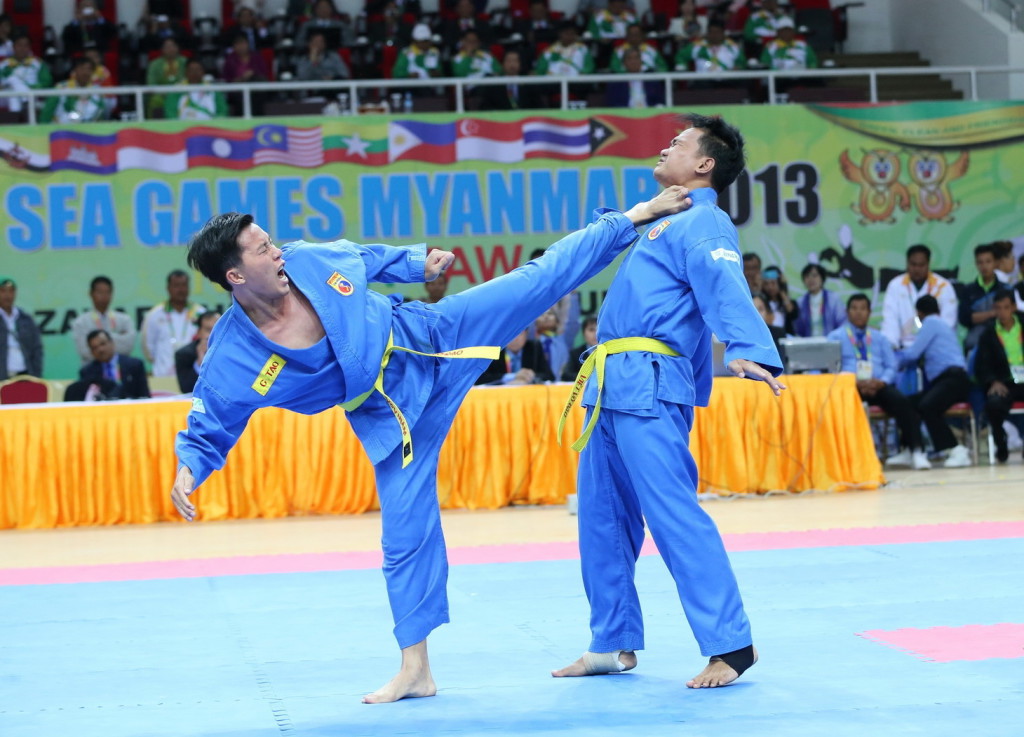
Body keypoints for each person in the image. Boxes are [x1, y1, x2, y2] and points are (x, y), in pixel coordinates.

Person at [169, 188, 692, 703]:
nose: (277, 252)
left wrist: (418, 264)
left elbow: (366, 258)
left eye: (271, 242)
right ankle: (415, 670)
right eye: (263, 249)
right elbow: (213, 417)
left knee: (536, 279)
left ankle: (634, 215)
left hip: (432, 335)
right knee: (404, 535)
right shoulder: (233, 356)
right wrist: (189, 467)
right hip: (393, 421)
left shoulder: (308, 260)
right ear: (235, 276)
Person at [552, 114, 784, 689]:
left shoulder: (705, 221)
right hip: (609, 380)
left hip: (650, 381)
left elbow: (723, 283)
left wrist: (746, 346)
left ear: (705, 163)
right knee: (602, 517)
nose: (664, 147)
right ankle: (612, 641)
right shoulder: (662, 219)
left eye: (677, 143)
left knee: (672, 512)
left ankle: (731, 644)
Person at [828, 294, 928, 470]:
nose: (859, 313)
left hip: (878, 385)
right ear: (847, 312)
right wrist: (852, 380)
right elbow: (831, 368)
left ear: (869, 312)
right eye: (854, 308)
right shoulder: (835, 337)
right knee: (836, 407)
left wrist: (881, 381)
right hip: (851, 386)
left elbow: (891, 366)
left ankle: (915, 451)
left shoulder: (879, 338)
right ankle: (848, 458)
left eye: (863, 308)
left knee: (904, 403)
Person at [897, 295, 972, 468]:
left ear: (919, 313)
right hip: (949, 381)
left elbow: (913, 354)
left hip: (953, 380)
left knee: (927, 406)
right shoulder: (942, 324)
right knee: (909, 403)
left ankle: (956, 450)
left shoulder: (930, 323)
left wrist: (894, 359)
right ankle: (911, 449)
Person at [974, 290, 1024, 463]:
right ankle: (1001, 443)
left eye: (1006, 307)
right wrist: (993, 381)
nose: (1002, 312)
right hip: (1004, 383)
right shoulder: (988, 334)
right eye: (998, 308)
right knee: (993, 404)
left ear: (1014, 307)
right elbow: (982, 364)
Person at [881, 244, 958, 350]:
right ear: (907, 263)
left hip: (934, 348)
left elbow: (948, 323)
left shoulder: (943, 286)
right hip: (904, 347)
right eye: (913, 264)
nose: (917, 269)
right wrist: (892, 346)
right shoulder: (895, 285)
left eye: (921, 265)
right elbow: (890, 320)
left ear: (928, 264)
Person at [142, 270, 206, 377]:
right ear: (168, 288)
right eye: (176, 285)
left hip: (193, 375)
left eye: (184, 285)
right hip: (163, 375)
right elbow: (149, 349)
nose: (181, 290)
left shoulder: (200, 313)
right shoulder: (154, 315)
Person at [71, 276, 136, 364]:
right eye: (100, 292)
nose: (104, 296)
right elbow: (84, 351)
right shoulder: (80, 322)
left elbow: (128, 347)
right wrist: (117, 338)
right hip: (93, 369)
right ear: (91, 294)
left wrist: (96, 345)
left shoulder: (124, 319)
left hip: (119, 368)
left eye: (107, 292)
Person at [77, 330, 151, 400]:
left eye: (103, 344)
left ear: (112, 343)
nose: (100, 350)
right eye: (95, 348)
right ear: (91, 352)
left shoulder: (134, 365)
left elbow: (145, 397)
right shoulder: (87, 372)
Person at [40, 57, 111, 124]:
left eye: (89, 69)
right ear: (75, 70)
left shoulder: (97, 92)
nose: (85, 72)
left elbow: (100, 116)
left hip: (89, 129)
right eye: (82, 68)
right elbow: (47, 112)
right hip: (62, 128)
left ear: (92, 72)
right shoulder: (61, 88)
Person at [958, 243, 1000, 353]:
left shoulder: (1005, 289)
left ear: (996, 263)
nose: (984, 266)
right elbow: (964, 318)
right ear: (976, 264)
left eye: (988, 261)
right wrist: (993, 313)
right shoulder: (968, 290)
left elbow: (1008, 316)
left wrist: (977, 316)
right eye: (980, 262)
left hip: (1001, 343)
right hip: (974, 344)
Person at [0, 276, 43, 380]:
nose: (7, 295)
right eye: (3, 291)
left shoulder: (25, 319)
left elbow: (36, 347)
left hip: (25, 374)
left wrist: (35, 374)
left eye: (11, 291)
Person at [476, 329, 554, 385]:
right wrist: (513, 377)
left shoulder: (534, 347)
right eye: (511, 335)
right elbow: (480, 379)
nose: (515, 339)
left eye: (519, 334)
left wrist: (530, 376)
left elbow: (549, 376)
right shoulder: (494, 350)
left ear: (526, 334)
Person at [0, 33, 53, 114]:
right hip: (5, 95)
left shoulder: (37, 63)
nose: (22, 48)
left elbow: (46, 82)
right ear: (13, 47)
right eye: (19, 45)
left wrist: (30, 87)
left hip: (32, 93)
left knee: (14, 96)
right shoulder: (4, 64)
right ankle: (26, 99)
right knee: (12, 80)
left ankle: (17, 117)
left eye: (26, 46)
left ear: (30, 47)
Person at [478, 50, 544, 111]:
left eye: (515, 61)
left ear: (521, 64)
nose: (512, 64)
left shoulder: (529, 84)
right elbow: (485, 107)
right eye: (508, 61)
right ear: (502, 64)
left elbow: (539, 107)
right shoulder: (494, 85)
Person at [175, 310, 221, 394]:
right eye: (208, 330)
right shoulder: (184, 354)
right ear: (199, 332)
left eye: (217, 329)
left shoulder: (234, 351)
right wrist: (199, 363)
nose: (213, 334)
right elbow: (186, 389)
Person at [794, 263, 845, 337]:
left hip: (830, 341)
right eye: (807, 276)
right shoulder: (800, 302)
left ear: (822, 279)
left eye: (814, 276)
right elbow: (797, 328)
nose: (811, 279)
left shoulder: (833, 299)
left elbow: (841, 322)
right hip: (807, 342)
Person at [676, 20, 746, 73]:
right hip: (703, 81)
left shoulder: (732, 46)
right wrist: (682, 65)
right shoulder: (698, 46)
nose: (714, 35)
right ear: (707, 33)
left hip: (728, 81)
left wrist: (738, 67)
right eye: (711, 32)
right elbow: (680, 56)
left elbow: (741, 62)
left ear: (723, 33)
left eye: (717, 32)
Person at [145, 37, 188, 118]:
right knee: (155, 100)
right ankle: (157, 124)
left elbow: (190, 80)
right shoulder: (154, 64)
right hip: (162, 95)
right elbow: (151, 83)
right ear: (162, 50)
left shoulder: (185, 62)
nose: (170, 49)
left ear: (177, 48)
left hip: (181, 93)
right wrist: (162, 92)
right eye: (167, 47)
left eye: (173, 46)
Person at [760, 265, 798, 334]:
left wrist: (782, 289)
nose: (770, 287)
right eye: (766, 284)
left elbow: (792, 313)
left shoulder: (788, 302)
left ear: (779, 283)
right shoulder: (761, 303)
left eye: (773, 283)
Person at [562, 315, 598, 381]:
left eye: (599, 329)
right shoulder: (575, 353)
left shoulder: (612, 352)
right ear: (583, 333)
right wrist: (589, 378)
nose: (596, 333)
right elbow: (566, 375)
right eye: (591, 330)